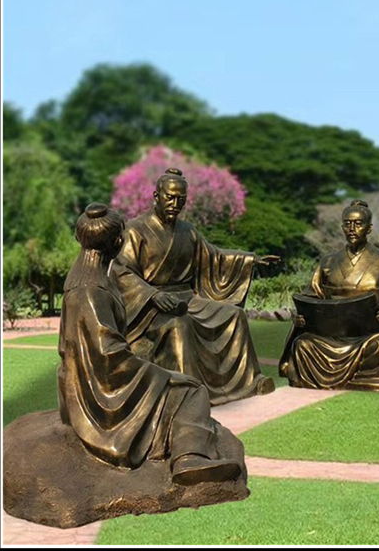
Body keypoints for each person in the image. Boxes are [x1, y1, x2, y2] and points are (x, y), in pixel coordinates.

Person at [57, 203, 242, 485]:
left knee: (182, 381)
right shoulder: (90, 291)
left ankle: (187, 453)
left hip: (97, 377)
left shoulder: (86, 278)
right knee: (192, 390)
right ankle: (189, 458)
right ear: (117, 243)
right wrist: (156, 374)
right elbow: (108, 354)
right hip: (102, 390)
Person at [112, 168, 279, 406]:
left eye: (181, 199)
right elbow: (122, 271)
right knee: (180, 325)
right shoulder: (134, 230)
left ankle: (249, 381)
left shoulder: (187, 231)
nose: (175, 204)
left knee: (235, 316)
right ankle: (189, 392)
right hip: (151, 306)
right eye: (170, 197)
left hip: (187, 298)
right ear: (156, 196)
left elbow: (214, 257)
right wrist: (152, 295)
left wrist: (251, 260)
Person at [279, 200, 379, 391]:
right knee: (302, 344)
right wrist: (302, 316)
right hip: (330, 336)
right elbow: (311, 298)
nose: (352, 229)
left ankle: (368, 378)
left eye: (358, 224)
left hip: (369, 335)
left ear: (369, 228)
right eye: (347, 224)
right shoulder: (328, 262)